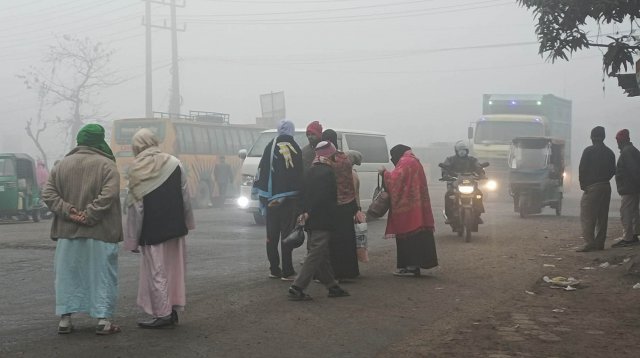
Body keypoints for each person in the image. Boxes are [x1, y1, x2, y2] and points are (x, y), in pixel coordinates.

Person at [41, 124, 123, 335]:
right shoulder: (107, 165)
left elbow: (48, 195)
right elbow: (109, 195)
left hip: (67, 233)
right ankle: (103, 321)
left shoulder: (61, 165)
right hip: (101, 232)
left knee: (68, 275)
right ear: (99, 141)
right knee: (102, 275)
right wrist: (89, 215)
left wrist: (70, 212)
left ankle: (65, 320)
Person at [123, 128, 195, 328]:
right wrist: (187, 222)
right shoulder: (174, 163)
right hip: (175, 227)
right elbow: (185, 196)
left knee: (157, 273)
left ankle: (162, 314)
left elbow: (136, 209)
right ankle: (172, 310)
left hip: (152, 230)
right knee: (174, 270)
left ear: (137, 147)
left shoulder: (137, 169)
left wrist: (132, 239)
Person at [288, 141, 350, 300]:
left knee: (321, 254)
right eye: (334, 155)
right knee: (316, 253)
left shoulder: (310, 170)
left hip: (310, 219)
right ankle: (297, 287)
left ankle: (332, 287)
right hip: (322, 218)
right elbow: (322, 198)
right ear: (330, 155)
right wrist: (310, 212)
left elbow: (302, 194)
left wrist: (303, 212)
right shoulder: (327, 172)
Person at [253, 119, 304, 280]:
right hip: (289, 200)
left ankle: (274, 269)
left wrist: (264, 195)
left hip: (271, 199)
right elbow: (299, 174)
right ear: (291, 130)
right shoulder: (295, 147)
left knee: (272, 235)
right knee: (286, 234)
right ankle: (287, 271)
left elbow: (263, 170)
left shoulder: (270, 146)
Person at [379, 144, 438, 277]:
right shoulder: (414, 160)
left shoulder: (405, 162)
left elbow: (395, 180)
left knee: (408, 235)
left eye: (392, 156)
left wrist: (384, 173)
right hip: (418, 207)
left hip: (408, 209)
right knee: (418, 236)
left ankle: (411, 267)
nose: (392, 159)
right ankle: (414, 266)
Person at [322, 129, 360, 280]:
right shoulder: (345, 158)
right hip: (348, 203)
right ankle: (350, 272)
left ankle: (335, 272)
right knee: (348, 239)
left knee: (334, 241)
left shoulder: (327, 160)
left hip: (333, 204)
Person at [576, 126, 616, 252]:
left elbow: (582, 169)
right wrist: (604, 179)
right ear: (603, 137)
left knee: (588, 215)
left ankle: (589, 243)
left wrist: (583, 185)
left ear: (592, 137)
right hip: (605, 186)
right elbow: (612, 171)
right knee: (602, 216)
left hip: (592, 187)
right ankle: (599, 243)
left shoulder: (588, 151)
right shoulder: (610, 152)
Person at [441, 140, 486, 224]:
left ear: (467, 151)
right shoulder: (450, 159)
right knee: (449, 195)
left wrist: (481, 174)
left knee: (479, 194)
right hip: (455, 184)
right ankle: (450, 216)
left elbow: (478, 167)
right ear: (456, 151)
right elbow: (445, 167)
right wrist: (445, 174)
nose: (462, 152)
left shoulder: (472, 160)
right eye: (460, 150)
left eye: (464, 150)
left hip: (470, 183)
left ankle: (477, 215)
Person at [612, 129, 640, 248]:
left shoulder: (627, 152)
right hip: (633, 188)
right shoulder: (632, 150)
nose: (617, 143)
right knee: (633, 212)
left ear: (622, 140)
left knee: (626, 212)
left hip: (629, 189)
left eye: (618, 140)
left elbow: (634, 171)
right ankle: (633, 235)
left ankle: (628, 238)